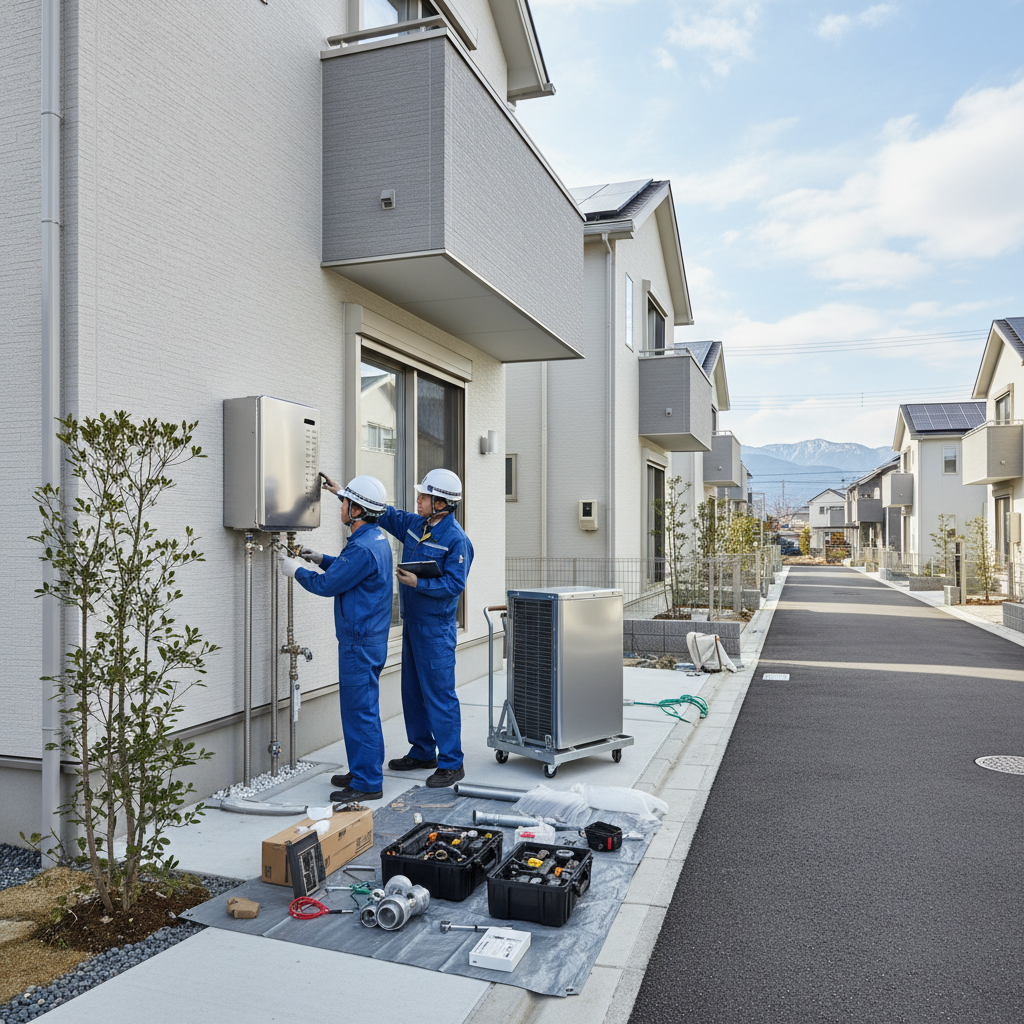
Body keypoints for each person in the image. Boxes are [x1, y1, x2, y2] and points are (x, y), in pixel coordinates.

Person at [325, 468, 473, 788]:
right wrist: (344, 494)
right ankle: (423, 751)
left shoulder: (457, 540)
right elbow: (384, 513)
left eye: (424, 496)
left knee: (439, 694)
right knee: (413, 692)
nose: (418, 499)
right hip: (412, 622)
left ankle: (451, 762)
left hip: (436, 629)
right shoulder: (415, 524)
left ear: (442, 503)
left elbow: (454, 585)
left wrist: (419, 582)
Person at [279, 475, 392, 803]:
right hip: (369, 639)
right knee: (362, 709)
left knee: (360, 712)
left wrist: (296, 570)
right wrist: (321, 559)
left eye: (345, 502)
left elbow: (329, 585)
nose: (341, 506)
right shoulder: (374, 538)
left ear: (357, 511)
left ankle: (368, 781)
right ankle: (362, 769)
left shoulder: (363, 547)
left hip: (360, 643)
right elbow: (346, 570)